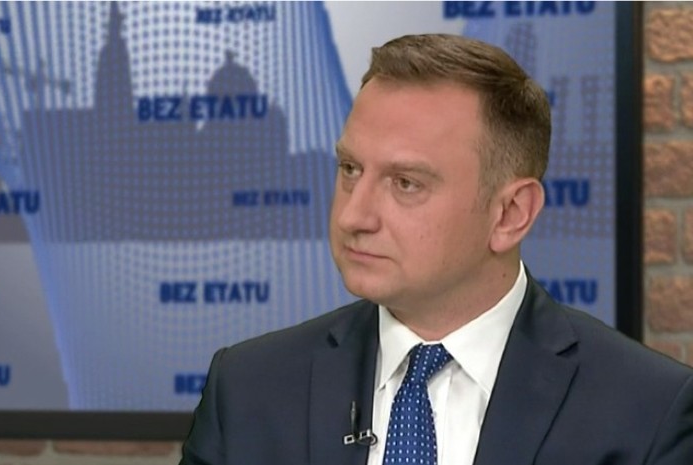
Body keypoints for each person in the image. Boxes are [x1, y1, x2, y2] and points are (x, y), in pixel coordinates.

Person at [180, 34, 693, 465]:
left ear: (510, 214)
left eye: (406, 183)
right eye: (350, 170)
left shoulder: (648, 413)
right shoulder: (246, 389)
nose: (353, 216)